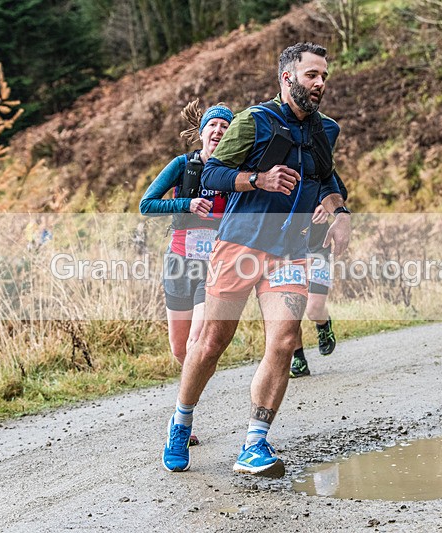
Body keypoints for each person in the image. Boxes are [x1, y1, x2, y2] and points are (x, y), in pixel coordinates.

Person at [161, 42, 350, 477]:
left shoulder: (325, 130)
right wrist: (257, 178)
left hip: (290, 251)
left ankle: (254, 444)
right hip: (240, 246)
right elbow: (212, 173)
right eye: (312, 75)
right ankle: (181, 420)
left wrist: (340, 213)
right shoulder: (254, 121)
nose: (321, 83)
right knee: (211, 344)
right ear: (288, 78)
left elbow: (326, 177)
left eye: (324, 75)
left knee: (284, 342)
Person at [140, 101, 233, 444]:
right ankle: (187, 403)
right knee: (180, 350)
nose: (218, 132)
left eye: (225, 128)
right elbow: (146, 204)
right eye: (214, 126)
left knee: (197, 341)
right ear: (203, 131)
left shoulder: (233, 174)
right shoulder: (182, 166)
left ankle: (182, 421)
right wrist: (186, 203)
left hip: (213, 268)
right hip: (179, 263)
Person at [290, 173, 348, 379]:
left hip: (318, 247)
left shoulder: (313, 158)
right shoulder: (271, 161)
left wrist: (326, 206)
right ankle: (298, 358)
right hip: (286, 250)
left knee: (313, 309)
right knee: (290, 308)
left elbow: (339, 191)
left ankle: (323, 324)